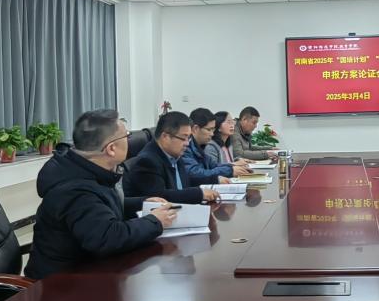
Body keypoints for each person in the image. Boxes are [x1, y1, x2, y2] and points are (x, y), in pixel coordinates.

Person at [25, 109, 177, 279]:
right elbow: (108, 237)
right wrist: (155, 221)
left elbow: (102, 208)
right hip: (59, 284)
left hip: (88, 271)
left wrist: (143, 203)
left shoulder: (86, 169)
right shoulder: (74, 190)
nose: (129, 140)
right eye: (126, 136)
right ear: (111, 149)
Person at [123, 111, 220, 204]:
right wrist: (199, 194)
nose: (187, 143)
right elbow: (160, 197)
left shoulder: (174, 154)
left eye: (189, 138)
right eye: (183, 138)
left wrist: (215, 180)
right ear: (165, 137)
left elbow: (184, 182)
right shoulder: (147, 161)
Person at [181, 107, 252, 182]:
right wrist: (230, 170)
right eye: (209, 129)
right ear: (195, 129)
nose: (212, 134)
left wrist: (233, 166)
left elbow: (214, 165)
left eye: (213, 129)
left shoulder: (200, 146)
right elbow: (196, 174)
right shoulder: (185, 147)